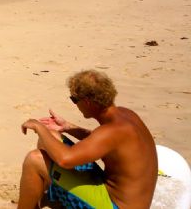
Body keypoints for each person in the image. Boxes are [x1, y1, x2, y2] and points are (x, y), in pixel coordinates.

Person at [17, 69, 157, 209]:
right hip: (120, 196)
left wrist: (38, 127)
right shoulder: (126, 115)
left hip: (114, 205)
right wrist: (68, 127)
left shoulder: (111, 131)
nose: (75, 104)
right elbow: (104, 142)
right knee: (51, 137)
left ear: (88, 102)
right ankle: (46, 197)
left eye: (74, 99)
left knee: (34, 159)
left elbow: (65, 160)